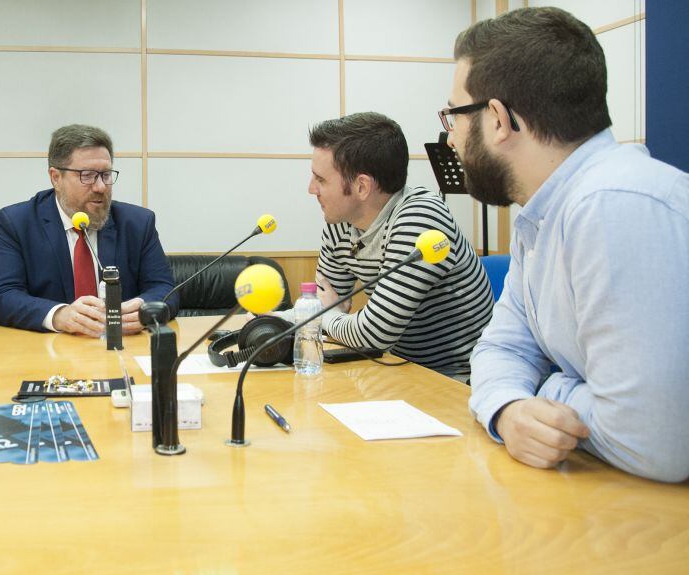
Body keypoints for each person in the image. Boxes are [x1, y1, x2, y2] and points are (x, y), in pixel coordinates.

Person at [450, 8, 689, 482]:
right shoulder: (543, 213)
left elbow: (654, 441)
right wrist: (509, 407)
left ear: (497, 120)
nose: (451, 137)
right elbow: (501, 350)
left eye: (453, 115)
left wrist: (547, 388)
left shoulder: (615, 205)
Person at [280, 112, 493, 379]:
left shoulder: (420, 218)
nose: (311, 189)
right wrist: (267, 322)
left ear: (361, 186)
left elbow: (372, 333)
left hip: (459, 378)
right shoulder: (340, 223)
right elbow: (323, 306)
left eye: (321, 180)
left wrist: (328, 317)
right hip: (398, 370)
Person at [0, 124, 176, 335]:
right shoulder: (17, 223)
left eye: (105, 175)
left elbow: (165, 289)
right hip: (50, 353)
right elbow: (1, 297)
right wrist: (59, 315)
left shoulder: (138, 223)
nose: (100, 187)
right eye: (87, 175)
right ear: (56, 177)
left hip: (121, 348)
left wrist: (142, 308)